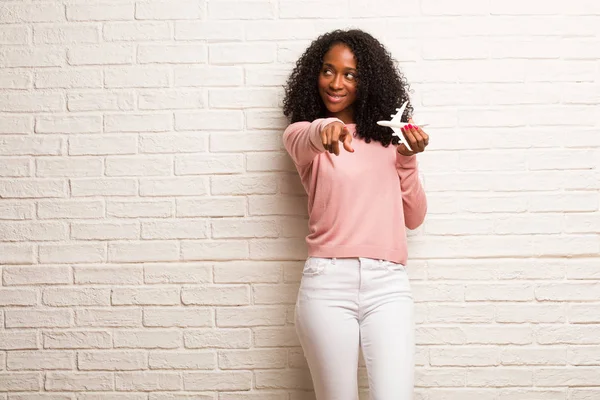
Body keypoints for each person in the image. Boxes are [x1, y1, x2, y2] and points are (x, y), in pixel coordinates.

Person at [281, 29, 428, 400]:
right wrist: (325, 128)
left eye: (350, 74)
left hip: (388, 286)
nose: (336, 83)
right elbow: (310, 135)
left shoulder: (389, 142)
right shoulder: (302, 136)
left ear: (368, 81)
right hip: (327, 283)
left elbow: (415, 217)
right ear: (314, 75)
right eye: (328, 71)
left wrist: (407, 159)